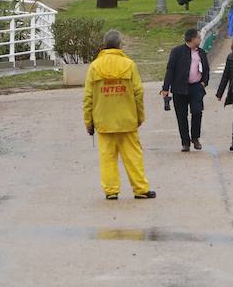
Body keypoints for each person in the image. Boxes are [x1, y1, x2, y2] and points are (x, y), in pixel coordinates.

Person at [83, 30, 155, 200]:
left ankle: (111, 191)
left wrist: (89, 122)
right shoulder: (129, 65)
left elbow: (88, 97)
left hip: (104, 121)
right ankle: (141, 189)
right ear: (120, 44)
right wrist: (140, 116)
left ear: (104, 45)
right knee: (133, 156)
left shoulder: (94, 67)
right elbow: (138, 93)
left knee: (107, 158)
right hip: (127, 120)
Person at [161, 28, 210, 152]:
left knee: (197, 112)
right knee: (181, 116)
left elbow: (206, 69)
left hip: (196, 87)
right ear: (193, 39)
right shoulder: (177, 52)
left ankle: (195, 137)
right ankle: (185, 142)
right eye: (198, 37)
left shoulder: (201, 53)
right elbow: (170, 70)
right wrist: (165, 88)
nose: (200, 39)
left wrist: (204, 83)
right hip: (180, 88)